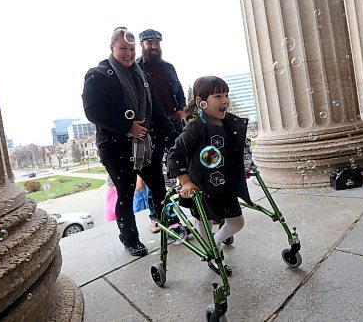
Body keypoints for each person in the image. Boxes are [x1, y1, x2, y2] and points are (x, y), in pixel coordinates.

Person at [82, 27, 174, 257]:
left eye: (131, 49)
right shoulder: (98, 74)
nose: (128, 53)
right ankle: (130, 239)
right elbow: (92, 111)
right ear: (112, 48)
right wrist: (127, 127)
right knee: (126, 191)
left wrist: (173, 133)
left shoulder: (143, 75)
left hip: (144, 141)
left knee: (159, 187)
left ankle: (170, 225)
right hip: (115, 145)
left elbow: (157, 108)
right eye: (123, 48)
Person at [168, 76, 252, 275]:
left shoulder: (229, 125)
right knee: (204, 227)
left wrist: (239, 171)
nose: (225, 100)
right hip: (201, 190)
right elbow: (175, 155)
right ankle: (212, 254)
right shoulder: (196, 127)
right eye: (218, 96)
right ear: (201, 102)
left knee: (237, 222)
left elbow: (228, 156)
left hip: (225, 187)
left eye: (226, 95)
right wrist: (186, 182)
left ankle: (215, 243)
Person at [136, 28, 187, 233]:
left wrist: (181, 110)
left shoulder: (169, 67)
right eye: (150, 43)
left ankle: (199, 207)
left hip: (174, 124)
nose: (154, 46)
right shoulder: (136, 68)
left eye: (157, 43)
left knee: (186, 165)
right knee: (154, 174)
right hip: (152, 128)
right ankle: (157, 216)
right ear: (142, 45)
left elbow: (180, 91)